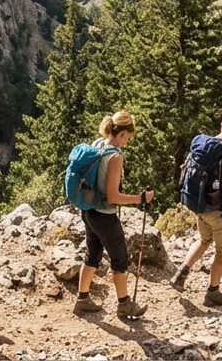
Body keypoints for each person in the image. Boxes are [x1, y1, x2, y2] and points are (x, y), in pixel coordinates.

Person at [71, 111, 155, 319]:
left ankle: (82, 300)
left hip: (88, 209)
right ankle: (124, 305)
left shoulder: (98, 143)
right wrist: (140, 198)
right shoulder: (115, 156)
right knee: (120, 260)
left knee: (93, 253)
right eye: (129, 137)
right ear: (123, 133)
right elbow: (112, 196)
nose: (129, 141)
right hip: (104, 215)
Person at [172, 111, 222, 308]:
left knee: (205, 240)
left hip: (199, 205)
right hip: (219, 209)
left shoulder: (201, 142)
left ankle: (181, 273)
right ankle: (212, 292)